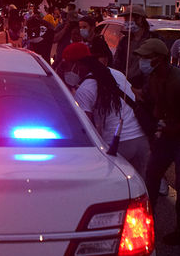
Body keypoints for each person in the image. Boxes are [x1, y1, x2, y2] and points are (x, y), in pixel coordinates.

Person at [138, 38, 180, 245]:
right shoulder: (153, 78)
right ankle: (146, 222)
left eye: (145, 57)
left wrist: (173, 129)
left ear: (158, 59)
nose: (141, 61)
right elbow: (156, 103)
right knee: (151, 175)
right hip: (169, 134)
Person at [63, 43, 149, 179]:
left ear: (78, 64)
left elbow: (87, 129)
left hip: (117, 145)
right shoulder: (117, 74)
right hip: (141, 140)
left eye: (68, 65)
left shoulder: (84, 89)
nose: (67, 70)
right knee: (141, 189)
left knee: (117, 190)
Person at [112, 4, 153, 87]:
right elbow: (117, 64)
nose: (125, 22)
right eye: (125, 19)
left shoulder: (153, 40)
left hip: (147, 88)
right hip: (126, 86)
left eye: (127, 19)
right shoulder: (124, 41)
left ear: (139, 19)